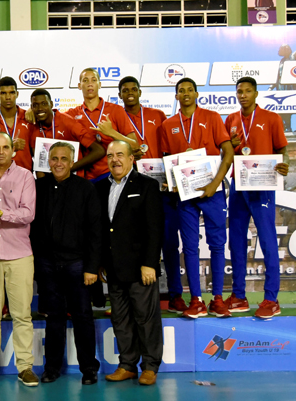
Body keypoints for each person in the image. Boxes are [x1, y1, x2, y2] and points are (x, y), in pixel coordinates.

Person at [160, 78, 234, 319]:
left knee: (216, 245)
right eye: (181, 91)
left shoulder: (212, 118)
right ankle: (196, 300)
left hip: (212, 192)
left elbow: (229, 152)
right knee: (189, 247)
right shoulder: (168, 124)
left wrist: (215, 184)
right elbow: (167, 159)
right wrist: (171, 183)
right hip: (185, 194)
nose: (186, 94)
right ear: (176, 96)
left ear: (197, 93)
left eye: (190, 90)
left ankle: (218, 299)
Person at [30, 141, 101, 385]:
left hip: (77, 264)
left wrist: (92, 267)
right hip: (48, 264)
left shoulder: (85, 188)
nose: (58, 163)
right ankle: (51, 368)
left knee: (83, 316)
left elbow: (95, 230)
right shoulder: (37, 187)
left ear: (72, 162)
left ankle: (89, 369)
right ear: (48, 161)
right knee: (54, 318)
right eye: (54, 158)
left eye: (63, 159)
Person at [96, 140, 164, 386]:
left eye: (120, 155)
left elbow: (154, 228)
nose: (115, 159)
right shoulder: (101, 188)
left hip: (140, 268)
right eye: (111, 155)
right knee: (121, 320)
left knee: (146, 319)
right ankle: (127, 365)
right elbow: (103, 229)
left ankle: (150, 367)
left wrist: (150, 263)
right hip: (113, 267)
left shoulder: (147, 185)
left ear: (131, 159)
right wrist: (102, 262)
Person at [117, 76, 186, 313]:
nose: (129, 93)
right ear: (119, 94)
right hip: (131, 188)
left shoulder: (157, 115)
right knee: (131, 242)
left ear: (139, 91)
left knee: (168, 241)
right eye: (124, 90)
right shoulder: (117, 117)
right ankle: (132, 294)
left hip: (161, 188)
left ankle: (176, 293)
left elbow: (169, 148)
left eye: (133, 89)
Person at [225, 76, 289, 319]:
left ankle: (271, 298)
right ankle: (239, 296)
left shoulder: (271, 118)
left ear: (256, 93)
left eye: (247, 91)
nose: (243, 95)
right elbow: (226, 151)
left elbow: (282, 149)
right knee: (237, 241)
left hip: (262, 185)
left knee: (267, 240)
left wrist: (286, 164)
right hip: (239, 185)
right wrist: (230, 145)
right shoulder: (230, 119)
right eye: (239, 91)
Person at [0, 133, 38, 386]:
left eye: (6, 148)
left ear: (13, 151)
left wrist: (0, 212)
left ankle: (24, 366)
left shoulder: (25, 176)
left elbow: (28, 214)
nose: (1, 152)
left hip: (19, 255)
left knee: (22, 314)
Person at [66, 68, 138, 182]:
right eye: (85, 80)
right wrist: (31, 112)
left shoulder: (116, 110)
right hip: (85, 178)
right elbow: (51, 116)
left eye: (93, 80)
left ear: (99, 84)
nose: (90, 84)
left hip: (113, 174)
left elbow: (134, 145)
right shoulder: (71, 114)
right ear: (79, 86)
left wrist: (111, 133)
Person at [28, 88, 106, 177]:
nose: (40, 108)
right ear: (31, 108)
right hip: (50, 182)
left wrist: (69, 168)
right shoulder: (33, 128)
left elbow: (99, 151)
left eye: (44, 104)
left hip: (73, 180)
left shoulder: (68, 122)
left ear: (51, 104)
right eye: (35, 105)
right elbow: (39, 166)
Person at [0, 77, 34, 171]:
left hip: (25, 176)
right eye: (3, 93)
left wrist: (33, 109)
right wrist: (11, 148)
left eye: (12, 92)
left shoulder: (29, 118)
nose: (8, 97)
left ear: (17, 94)